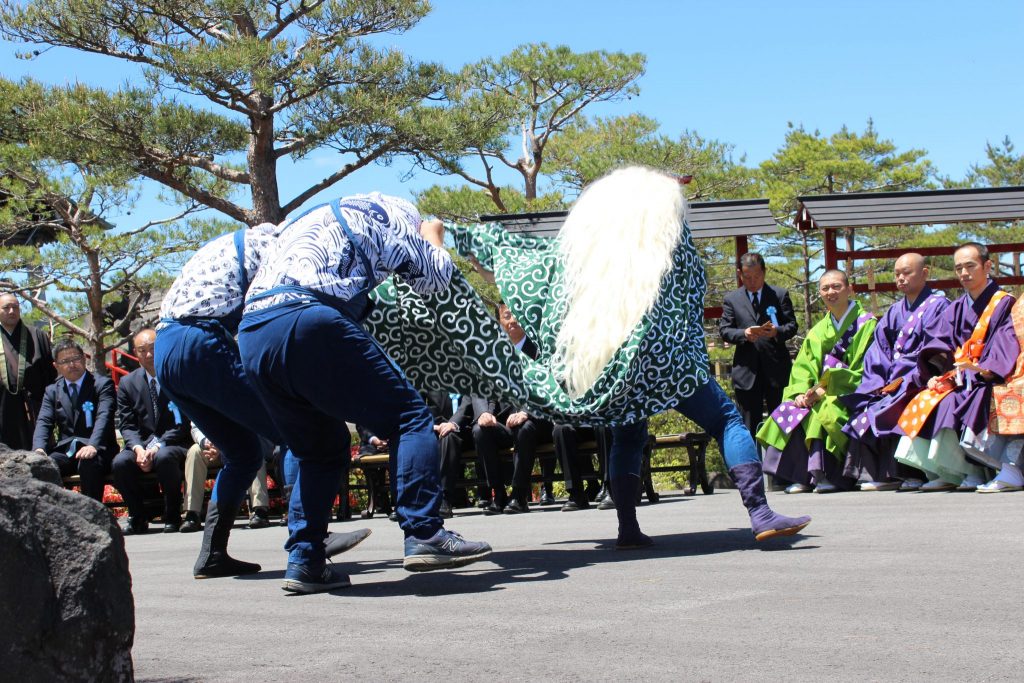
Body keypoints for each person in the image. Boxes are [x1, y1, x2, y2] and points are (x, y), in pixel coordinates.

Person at [237, 193, 491, 593]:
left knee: (319, 448)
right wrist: (432, 237)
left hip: (253, 334)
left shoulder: (309, 221)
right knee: (409, 416)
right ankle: (425, 533)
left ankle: (306, 560)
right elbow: (435, 276)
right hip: (307, 319)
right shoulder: (389, 219)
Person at [550, 167, 812, 547]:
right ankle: (759, 511)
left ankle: (627, 527)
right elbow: (692, 287)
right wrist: (668, 191)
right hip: (671, 359)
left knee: (628, 435)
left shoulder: (602, 257)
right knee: (725, 420)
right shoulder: (669, 241)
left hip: (620, 359)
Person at [156, 223, 371, 578]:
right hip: (201, 342)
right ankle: (312, 537)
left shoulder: (229, 245)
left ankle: (212, 553)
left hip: (168, 348)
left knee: (243, 454)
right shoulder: (278, 250)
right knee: (300, 431)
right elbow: (280, 317)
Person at [894, 243, 1018, 491]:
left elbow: (1007, 342)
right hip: (962, 375)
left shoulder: (1004, 303)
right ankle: (948, 471)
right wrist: (936, 373)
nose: (963, 273)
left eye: (970, 266)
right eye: (959, 268)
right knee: (930, 396)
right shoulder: (957, 307)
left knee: (959, 400)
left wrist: (983, 369)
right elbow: (939, 343)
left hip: (991, 376)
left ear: (988, 266)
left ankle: (973, 470)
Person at [758, 270, 877, 493]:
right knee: (790, 409)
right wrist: (801, 393)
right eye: (825, 288)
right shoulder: (817, 331)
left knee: (825, 409)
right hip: (817, 390)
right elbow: (803, 367)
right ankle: (803, 475)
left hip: (849, 391)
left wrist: (824, 388)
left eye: (836, 287)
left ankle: (828, 475)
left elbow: (864, 368)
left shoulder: (867, 324)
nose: (830, 292)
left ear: (850, 289)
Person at [840, 253, 949, 491]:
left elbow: (936, 349)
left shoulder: (939, 305)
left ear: (925, 273)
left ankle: (912, 472)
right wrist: (877, 382)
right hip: (891, 378)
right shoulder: (894, 311)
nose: (901, 278)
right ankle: (878, 475)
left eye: (907, 272)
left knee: (895, 404)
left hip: (919, 377)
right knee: (867, 403)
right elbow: (879, 350)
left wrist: (907, 377)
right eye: (897, 273)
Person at [112, 328, 191, 534]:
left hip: (174, 443)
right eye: (142, 350)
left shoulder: (177, 375)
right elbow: (127, 425)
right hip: (142, 444)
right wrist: (138, 450)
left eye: (153, 348)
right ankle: (138, 516)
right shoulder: (128, 383)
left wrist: (157, 446)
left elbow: (182, 422)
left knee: (164, 457)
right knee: (120, 463)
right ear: (135, 354)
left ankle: (172, 515)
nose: (149, 354)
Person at [718, 253, 798, 437]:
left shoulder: (779, 294)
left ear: (764, 272)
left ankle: (784, 464)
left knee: (782, 421)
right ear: (740, 274)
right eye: (747, 277)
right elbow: (725, 330)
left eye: (757, 276)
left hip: (776, 370)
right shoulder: (732, 299)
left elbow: (792, 325)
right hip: (747, 372)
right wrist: (744, 334)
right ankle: (753, 464)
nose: (753, 281)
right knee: (749, 424)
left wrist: (777, 332)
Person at [32, 338, 117, 501]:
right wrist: (39, 449)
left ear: (84, 359)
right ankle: (56, 516)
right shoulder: (52, 391)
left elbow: (104, 417)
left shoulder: (102, 384)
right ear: (56, 366)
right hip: (67, 450)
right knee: (44, 466)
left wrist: (93, 444)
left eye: (76, 358)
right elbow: (44, 421)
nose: (72, 364)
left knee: (88, 463)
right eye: (65, 361)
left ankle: (93, 516)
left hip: (98, 449)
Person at [973, 294, 1024, 492]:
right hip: (1020, 369)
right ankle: (1010, 469)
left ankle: (1012, 470)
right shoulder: (1020, 304)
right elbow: (1007, 339)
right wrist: (992, 367)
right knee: (1008, 392)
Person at [180, 425, 272, 533]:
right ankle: (192, 513)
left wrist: (223, 445)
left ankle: (260, 510)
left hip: (240, 443)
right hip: (212, 446)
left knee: (253, 449)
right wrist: (207, 442)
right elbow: (196, 428)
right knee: (194, 452)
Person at [1, 293, 56, 450]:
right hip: (3, 409)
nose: (12, 311)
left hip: (33, 407)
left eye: (15, 307)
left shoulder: (36, 335)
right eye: (6, 307)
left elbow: (50, 375)